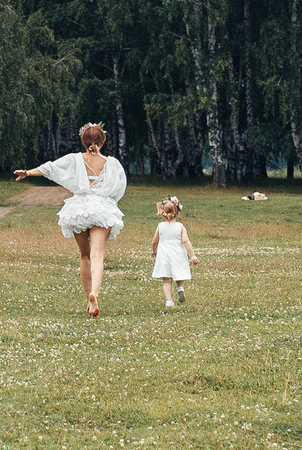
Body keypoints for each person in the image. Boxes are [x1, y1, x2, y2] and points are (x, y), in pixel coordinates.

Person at [13, 123, 127, 317]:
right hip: (102, 208)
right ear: (103, 140)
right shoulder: (112, 163)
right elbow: (119, 186)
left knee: (85, 256)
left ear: (83, 141)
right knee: (98, 255)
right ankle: (95, 294)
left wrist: (28, 172)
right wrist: (109, 202)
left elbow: (51, 168)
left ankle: (88, 300)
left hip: (79, 208)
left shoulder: (75, 159)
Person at [148, 196, 198, 306]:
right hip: (178, 254)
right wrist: (192, 255)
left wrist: (154, 251)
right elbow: (185, 241)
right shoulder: (180, 227)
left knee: (167, 280)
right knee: (179, 273)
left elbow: (154, 241)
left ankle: (169, 301)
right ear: (177, 212)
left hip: (164, 255)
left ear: (162, 213)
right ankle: (180, 288)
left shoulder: (160, 226)